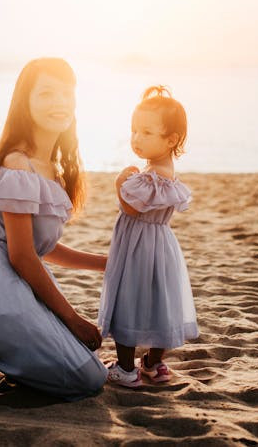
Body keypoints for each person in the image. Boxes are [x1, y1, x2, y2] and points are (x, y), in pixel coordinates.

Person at [0, 57, 109, 406]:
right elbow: (21, 256)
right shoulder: (18, 164)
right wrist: (73, 318)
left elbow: (42, 248)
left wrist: (104, 264)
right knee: (90, 379)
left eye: (66, 93)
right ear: (25, 102)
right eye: (46, 93)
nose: (59, 102)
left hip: (14, 285)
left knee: (86, 365)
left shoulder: (53, 169)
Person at [98, 86, 198, 387]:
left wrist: (119, 183)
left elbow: (133, 207)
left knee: (129, 298)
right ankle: (154, 363)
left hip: (138, 245)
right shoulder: (164, 172)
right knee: (160, 301)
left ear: (171, 140)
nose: (136, 138)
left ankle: (127, 369)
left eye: (146, 132)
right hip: (160, 245)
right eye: (134, 130)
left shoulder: (152, 176)